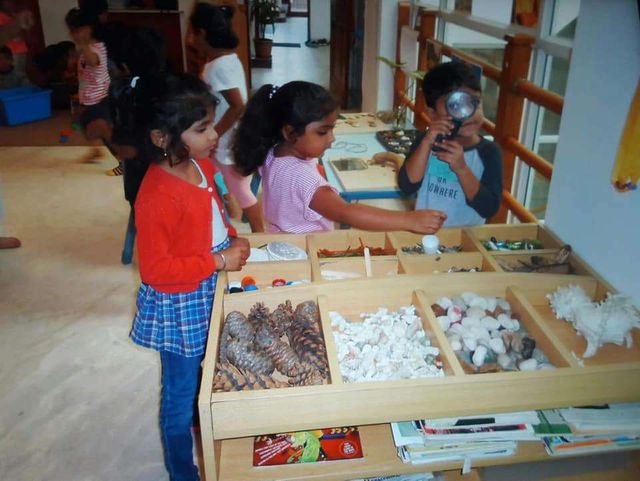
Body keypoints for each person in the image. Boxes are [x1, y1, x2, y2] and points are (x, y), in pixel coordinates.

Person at [129, 74, 249, 481]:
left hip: (209, 282)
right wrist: (217, 262)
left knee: (209, 364)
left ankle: (206, 422)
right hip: (180, 299)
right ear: (162, 138)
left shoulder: (200, 162)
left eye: (212, 123)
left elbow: (213, 209)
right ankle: (181, 471)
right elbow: (157, 270)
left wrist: (231, 239)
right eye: (202, 128)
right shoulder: (157, 194)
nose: (215, 134)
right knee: (179, 393)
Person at [233, 80, 447, 234]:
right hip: (306, 250)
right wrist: (408, 220)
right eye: (322, 132)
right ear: (289, 132)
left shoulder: (273, 151)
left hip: (283, 239)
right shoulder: (304, 180)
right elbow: (346, 212)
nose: (332, 139)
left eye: (332, 129)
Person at [397, 61, 503, 226]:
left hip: (466, 240)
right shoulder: (426, 142)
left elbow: (488, 208)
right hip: (425, 234)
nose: (468, 114)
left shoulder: (489, 152)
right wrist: (426, 143)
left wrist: (462, 169)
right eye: (455, 105)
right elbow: (407, 185)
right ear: (433, 114)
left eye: (474, 102)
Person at [189, 2, 264, 232]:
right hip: (227, 138)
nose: (190, 40)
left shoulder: (218, 66)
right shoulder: (227, 59)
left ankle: (260, 233)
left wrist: (215, 135)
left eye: (192, 33)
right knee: (211, 174)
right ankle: (224, 206)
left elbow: (237, 105)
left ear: (201, 34)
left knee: (242, 190)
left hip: (226, 140)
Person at [65, 7, 113, 160]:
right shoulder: (87, 48)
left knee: (101, 128)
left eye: (75, 30)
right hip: (87, 96)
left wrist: (83, 45)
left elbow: (93, 61)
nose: (72, 34)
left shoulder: (97, 48)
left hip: (99, 97)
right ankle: (95, 150)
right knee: (85, 124)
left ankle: (120, 156)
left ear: (87, 29)